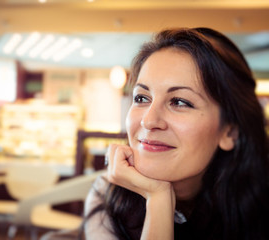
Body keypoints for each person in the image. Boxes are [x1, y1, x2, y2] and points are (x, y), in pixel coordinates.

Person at [83, 27, 269, 240]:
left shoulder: (259, 205)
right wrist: (158, 198)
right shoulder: (107, 196)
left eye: (180, 102)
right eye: (141, 98)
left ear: (230, 132)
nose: (148, 120)